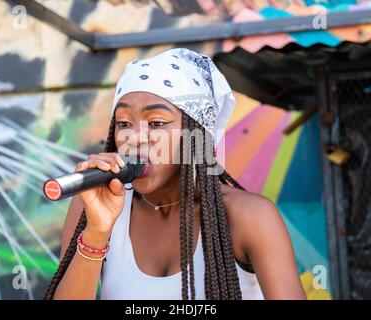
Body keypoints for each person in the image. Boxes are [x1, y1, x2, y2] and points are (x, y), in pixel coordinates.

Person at [44, 48, 306, 300]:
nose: (134, 138)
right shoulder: (93, 205)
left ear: (196, 135)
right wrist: (97, 232)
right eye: (124, 123)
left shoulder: (249, 215)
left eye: (157, 123)